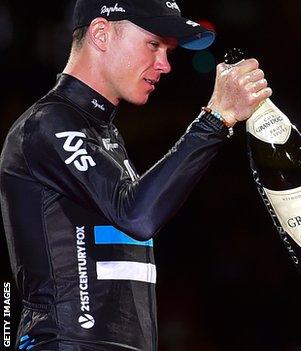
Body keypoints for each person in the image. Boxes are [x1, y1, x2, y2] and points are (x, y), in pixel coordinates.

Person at [0, 0, 271, 349]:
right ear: (101, 34)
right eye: (154, 44)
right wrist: (215, 119)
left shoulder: (102, 133)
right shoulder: (48, 124)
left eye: (169, 51)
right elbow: (138, 215)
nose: (165, 65)